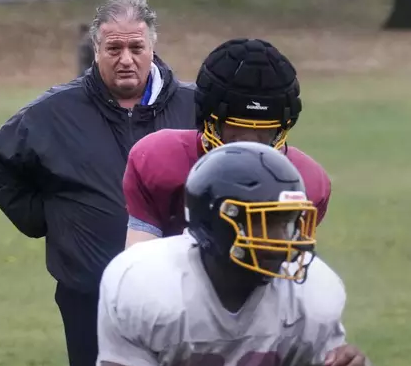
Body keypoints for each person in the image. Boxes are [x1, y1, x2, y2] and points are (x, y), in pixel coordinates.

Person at [0, 0, 195, 366]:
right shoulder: (54, 112)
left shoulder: (194, 107)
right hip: (89, 296)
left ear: (152, 48)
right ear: (96, 50)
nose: (125, 58)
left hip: (181, 297)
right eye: (114, 48)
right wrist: (46, 220)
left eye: (135, 47)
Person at [87, 141, 376, 366]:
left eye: (287, 223)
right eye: (263, 224)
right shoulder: (148, 286)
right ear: (216, 224)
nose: (281, 239)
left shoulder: (310, 294)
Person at [123, 38, 331, 248]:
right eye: (236, 129)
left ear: (281, 128)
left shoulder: (306, 182)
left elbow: (286, 268)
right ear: (209, 120)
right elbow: (140, 263)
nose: (249, 143)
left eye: (263, 131)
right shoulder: (160, 160)